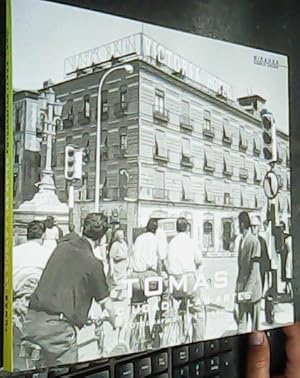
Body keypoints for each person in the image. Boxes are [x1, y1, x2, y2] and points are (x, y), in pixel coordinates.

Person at [22, 212, 117, 367]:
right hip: (56, 332)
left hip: (31, 322)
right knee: (70, 368)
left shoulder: (61, 248)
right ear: (102, 238)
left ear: (82, 229)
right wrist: (115, 322)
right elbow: (106, 302)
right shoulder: (94, 263)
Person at [13, 220, 53, 370]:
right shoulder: (48, 254)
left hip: (16, 303)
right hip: (38, 304)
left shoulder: (13, 252)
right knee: (36, 342)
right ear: (43, 235)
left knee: (20, 340)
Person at [167, 217, 205, 342]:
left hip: (175, 282)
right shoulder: (190, 242)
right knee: (197, 308)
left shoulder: (171, 243)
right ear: (188, 228)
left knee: (181, 301)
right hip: (188, 280)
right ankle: (198, 340)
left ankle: (181, 329)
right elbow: (199, 260)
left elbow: (167, 263)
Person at [235, 211, 262, 333]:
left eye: (238, 223)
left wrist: (247, 291)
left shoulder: (254, 241)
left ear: (242, 224)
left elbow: (254, 270)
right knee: (241, 322)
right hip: (242, 289)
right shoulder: (242, 240)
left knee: (255, 327)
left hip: (252, 290)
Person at [251, 216, 271, 293]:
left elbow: (265, 255)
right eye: (252, 226)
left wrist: (268, 271)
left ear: (258, 227)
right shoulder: (247, 240)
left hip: (261, 270)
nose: (253, 228)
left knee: (260, 290)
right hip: (251, 271)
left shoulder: (262, 240)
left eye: (255, 226)